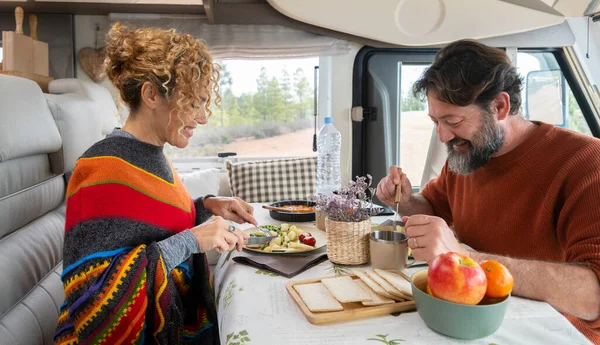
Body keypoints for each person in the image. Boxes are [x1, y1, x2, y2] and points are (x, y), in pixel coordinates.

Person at [376, 39, 600, 344]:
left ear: (499, 106)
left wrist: (466, 257)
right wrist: (402, 200)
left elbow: (593, 295)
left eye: (452, 121)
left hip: (548, 335)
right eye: (435, 122)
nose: (442, 136)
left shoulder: (585, 163)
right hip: (469, 324)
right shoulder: (467, 157)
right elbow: (433, 210)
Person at [54, 23, 256, 345]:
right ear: (150, 95)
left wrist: (205, 208)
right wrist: (191, 240)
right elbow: (92, 299)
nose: (203, 117)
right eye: (193, 103)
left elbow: (154, 225)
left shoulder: (150, 154)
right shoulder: (102, 170)